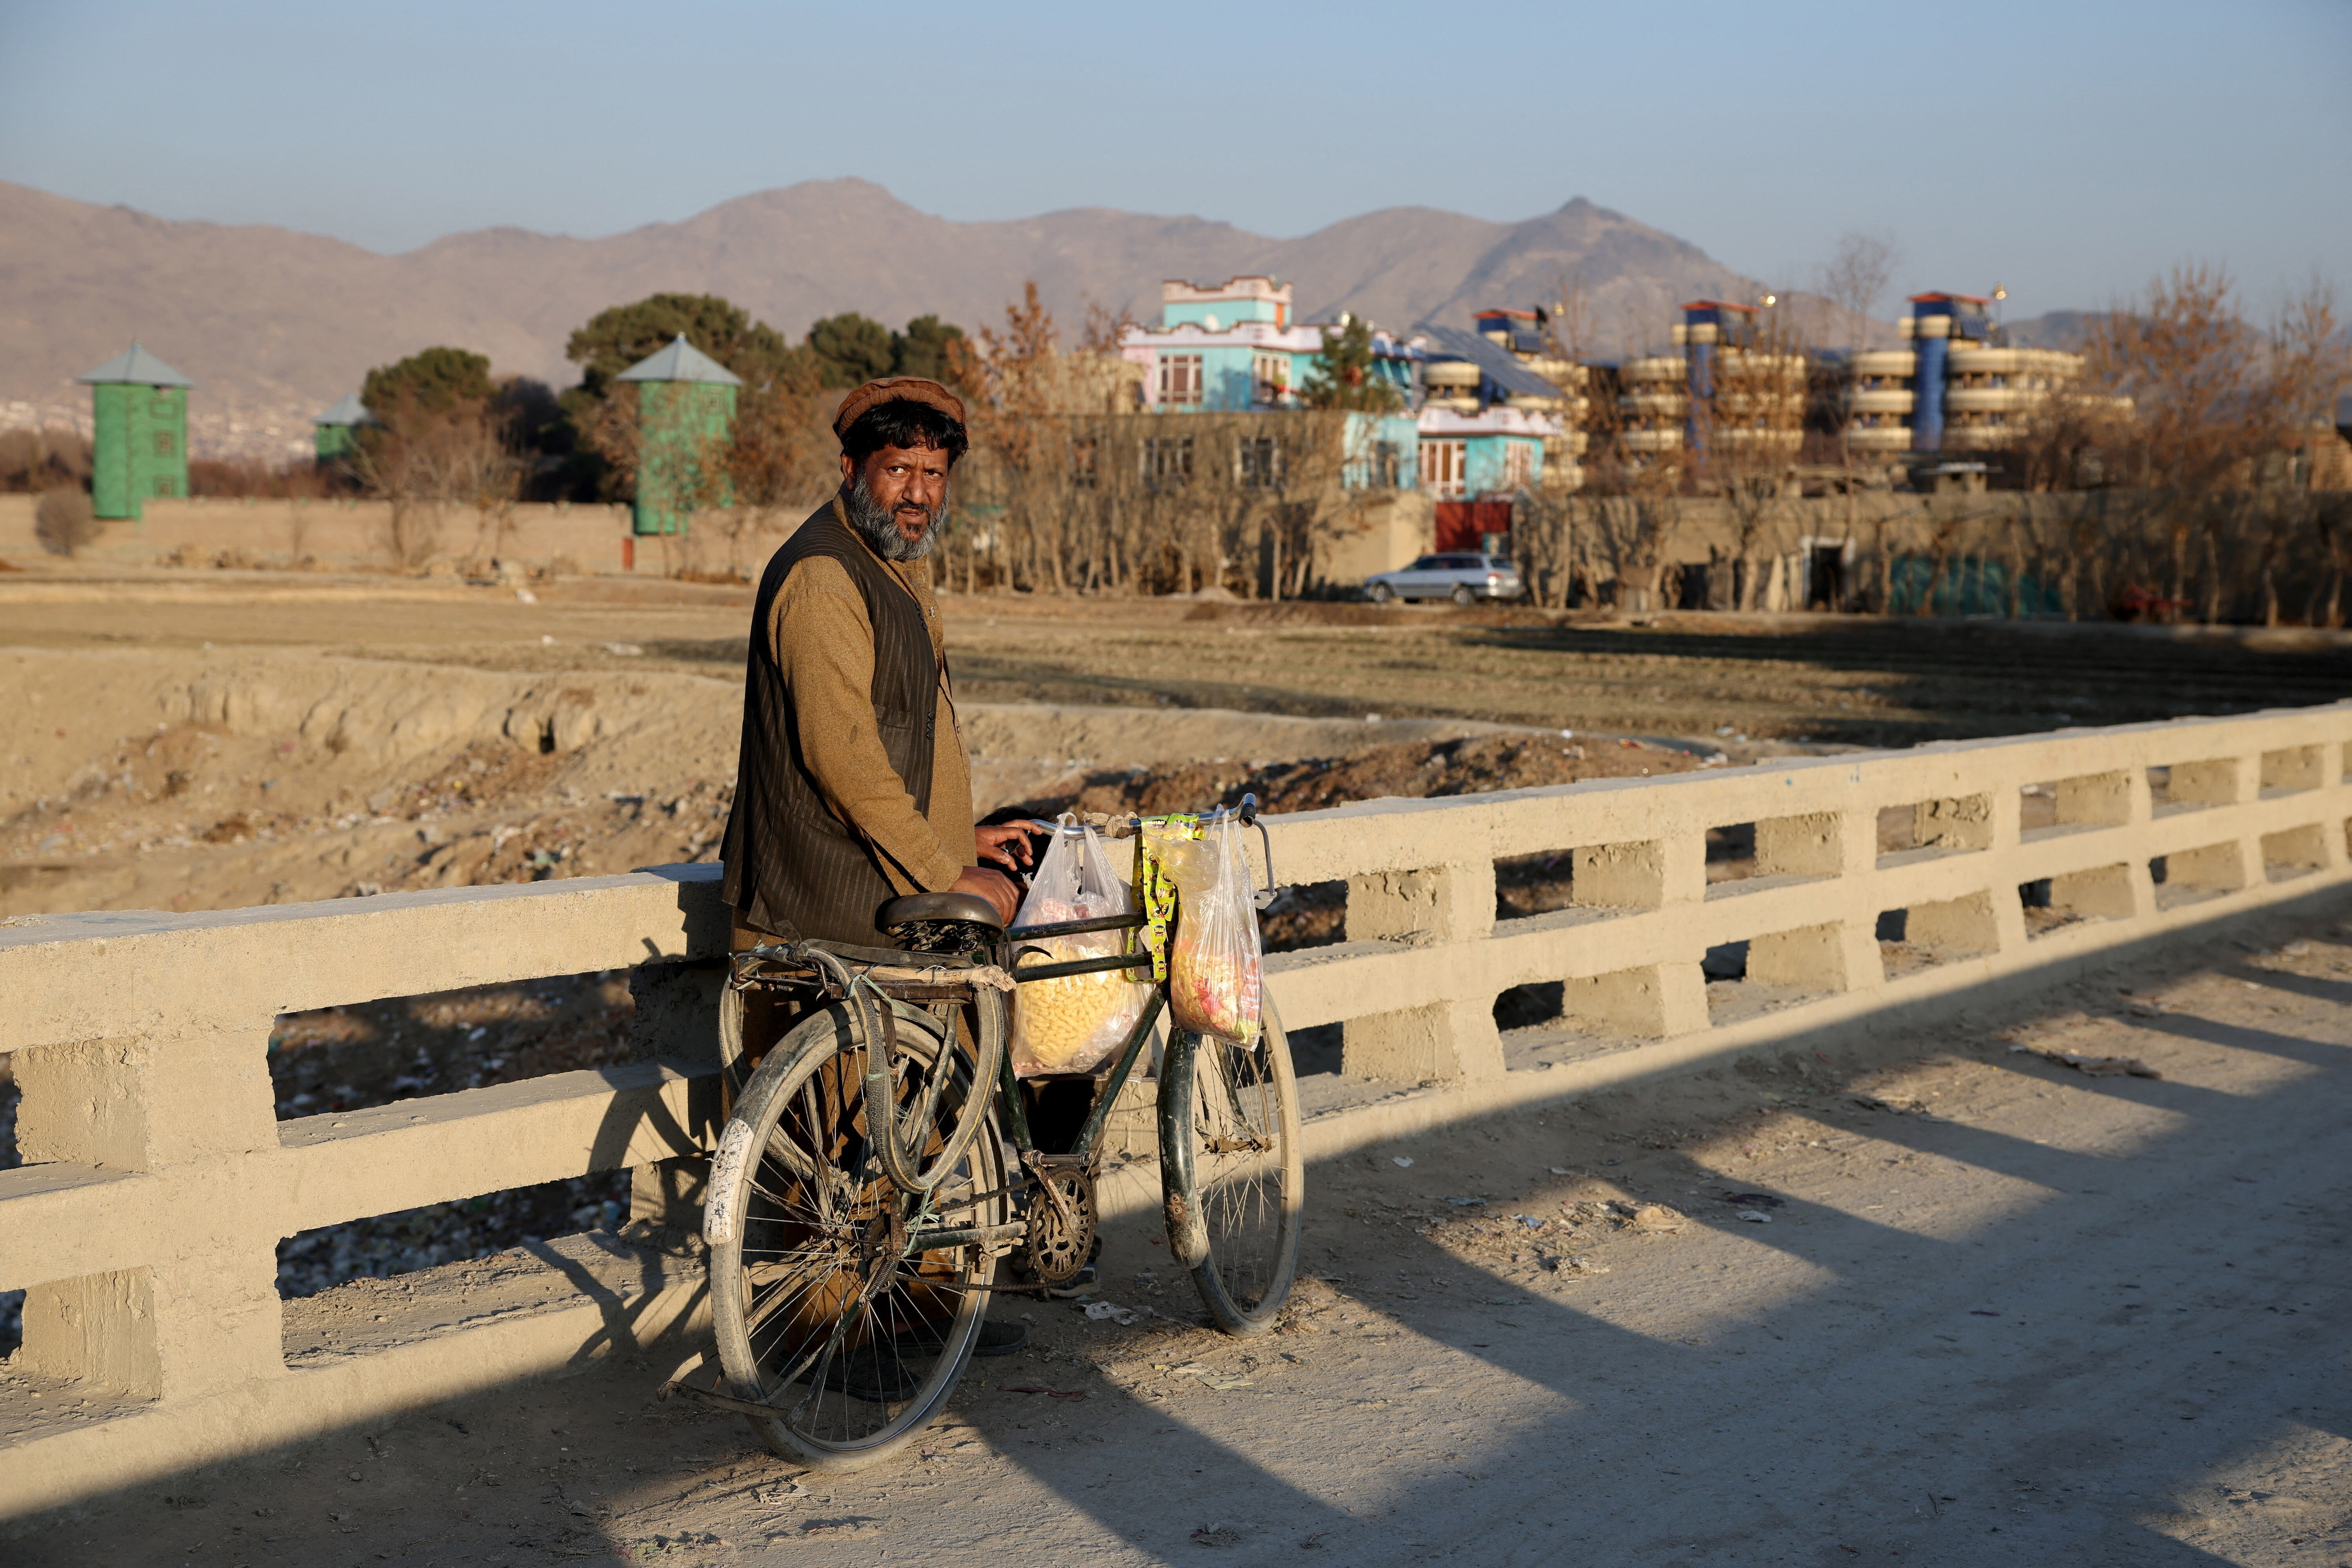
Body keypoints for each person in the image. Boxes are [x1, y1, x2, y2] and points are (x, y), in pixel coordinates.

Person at [716, 377, 1034, 1368]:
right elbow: (844, 753)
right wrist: (954, 872)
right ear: (850, 470)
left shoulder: (895, 568)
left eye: (933, 475)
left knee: (918, 1115)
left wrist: (965, 837)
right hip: (822, 900)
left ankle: (922, 1312)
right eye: (897, 469)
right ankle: (827, 1340)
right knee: (840, 1145)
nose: (916, 492)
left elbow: (904, 743)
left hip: (885, 891)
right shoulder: (822, 577)